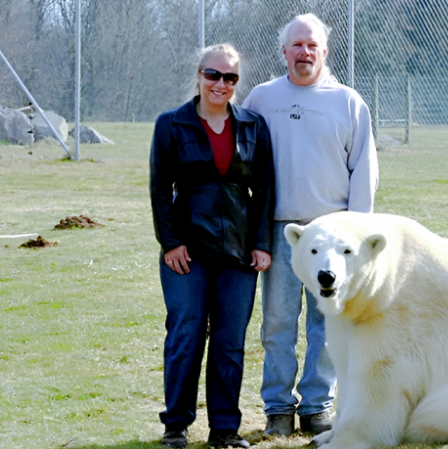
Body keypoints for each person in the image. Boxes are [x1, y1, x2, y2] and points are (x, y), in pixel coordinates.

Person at [242, 13, 378, 437]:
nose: (304, 53)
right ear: (283, 51)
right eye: (297, 45)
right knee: (278, 323)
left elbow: (364, 168)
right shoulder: (262, 99)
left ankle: (318, 405)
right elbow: (241, 162)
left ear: (324, 51)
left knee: (328, 325)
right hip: (282, 232)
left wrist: (356, 231)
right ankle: (278, 408)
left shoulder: (348, 102)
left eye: (312, 45)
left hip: (333, 235)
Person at [150, 43, 274, 449]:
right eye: (213, 75)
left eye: (230, 78)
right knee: (186, 332)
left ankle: (224, 429)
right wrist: (170, 243)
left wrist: (260, 243)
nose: (220, 84)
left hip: (238, 253)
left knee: (230, 340)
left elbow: (265, 191)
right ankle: (176, 425)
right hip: (187, 251)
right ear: (199, 76)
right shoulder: (171, 124)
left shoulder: (254, 126)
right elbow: (158, 188)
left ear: (238, 83)